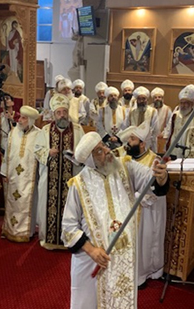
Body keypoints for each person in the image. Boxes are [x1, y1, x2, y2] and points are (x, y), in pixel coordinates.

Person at [61, 131, 169, 308]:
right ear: (89, 160)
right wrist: (92, 251)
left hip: (122, 254)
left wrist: (161, 176)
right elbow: (68, 227)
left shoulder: (125, 167)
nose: (107, 151)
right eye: (99, 151)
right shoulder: (78, 184)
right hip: (92, 260)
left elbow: (153, 182)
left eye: (103, 146)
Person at [120, 122, 168, 287]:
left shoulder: (154, 161)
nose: (128, 142)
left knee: (144, 243)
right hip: (126, 208)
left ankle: (141, 274)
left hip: (147, 211)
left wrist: (132, 195)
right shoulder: (126, 157)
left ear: (142, 144)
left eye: (132, 139)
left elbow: (154, 192)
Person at [35, 93, 85, 249]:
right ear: (54, 114)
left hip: (72, 177)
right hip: (49, 176)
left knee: (71, 208)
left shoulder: (77, 129)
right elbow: (37, 150)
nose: (62, 115)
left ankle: (70, 239)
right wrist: (48, 153)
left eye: (64, 112)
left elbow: (85, 150)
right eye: (58, 112)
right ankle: (48, 240)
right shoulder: (45, 130)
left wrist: (77, 155)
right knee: (47, 207)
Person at [0, 106, 41, 242]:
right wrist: (4, 172)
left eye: (23, 118)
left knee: (27, 203)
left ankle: (26, 232)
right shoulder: (13, 133)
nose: (19, 120)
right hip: (13, 177)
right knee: (12, 202)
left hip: (29, 178)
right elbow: (7, 154)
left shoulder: (39, 135)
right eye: (20, 117)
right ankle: (9, 229)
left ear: (30, 121)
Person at [164, 84, 194, 157]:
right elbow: (170, 130)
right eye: (181, 103)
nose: (183, 105)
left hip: (188, 147)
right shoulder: (175, 115)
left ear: (192, 103)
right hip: (174, 147)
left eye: (186, 103)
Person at [124, 86, 159, 152]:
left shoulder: (153, 111)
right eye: (139, 99)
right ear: (136, 100)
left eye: (144, 98)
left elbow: (155, 129)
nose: (141, 101)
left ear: (147, 100)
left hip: (148, 144)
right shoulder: (131, 112)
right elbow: (126, 127)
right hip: (134, 144)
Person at [151, 87, 172, 152]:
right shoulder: (149, 108)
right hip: (151, 137)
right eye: (155, 97)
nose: (157, 99)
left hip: (162, 137)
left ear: (162, 99)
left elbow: (170, 124)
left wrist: (163, 133)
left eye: (159, 97)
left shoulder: (167, 109)